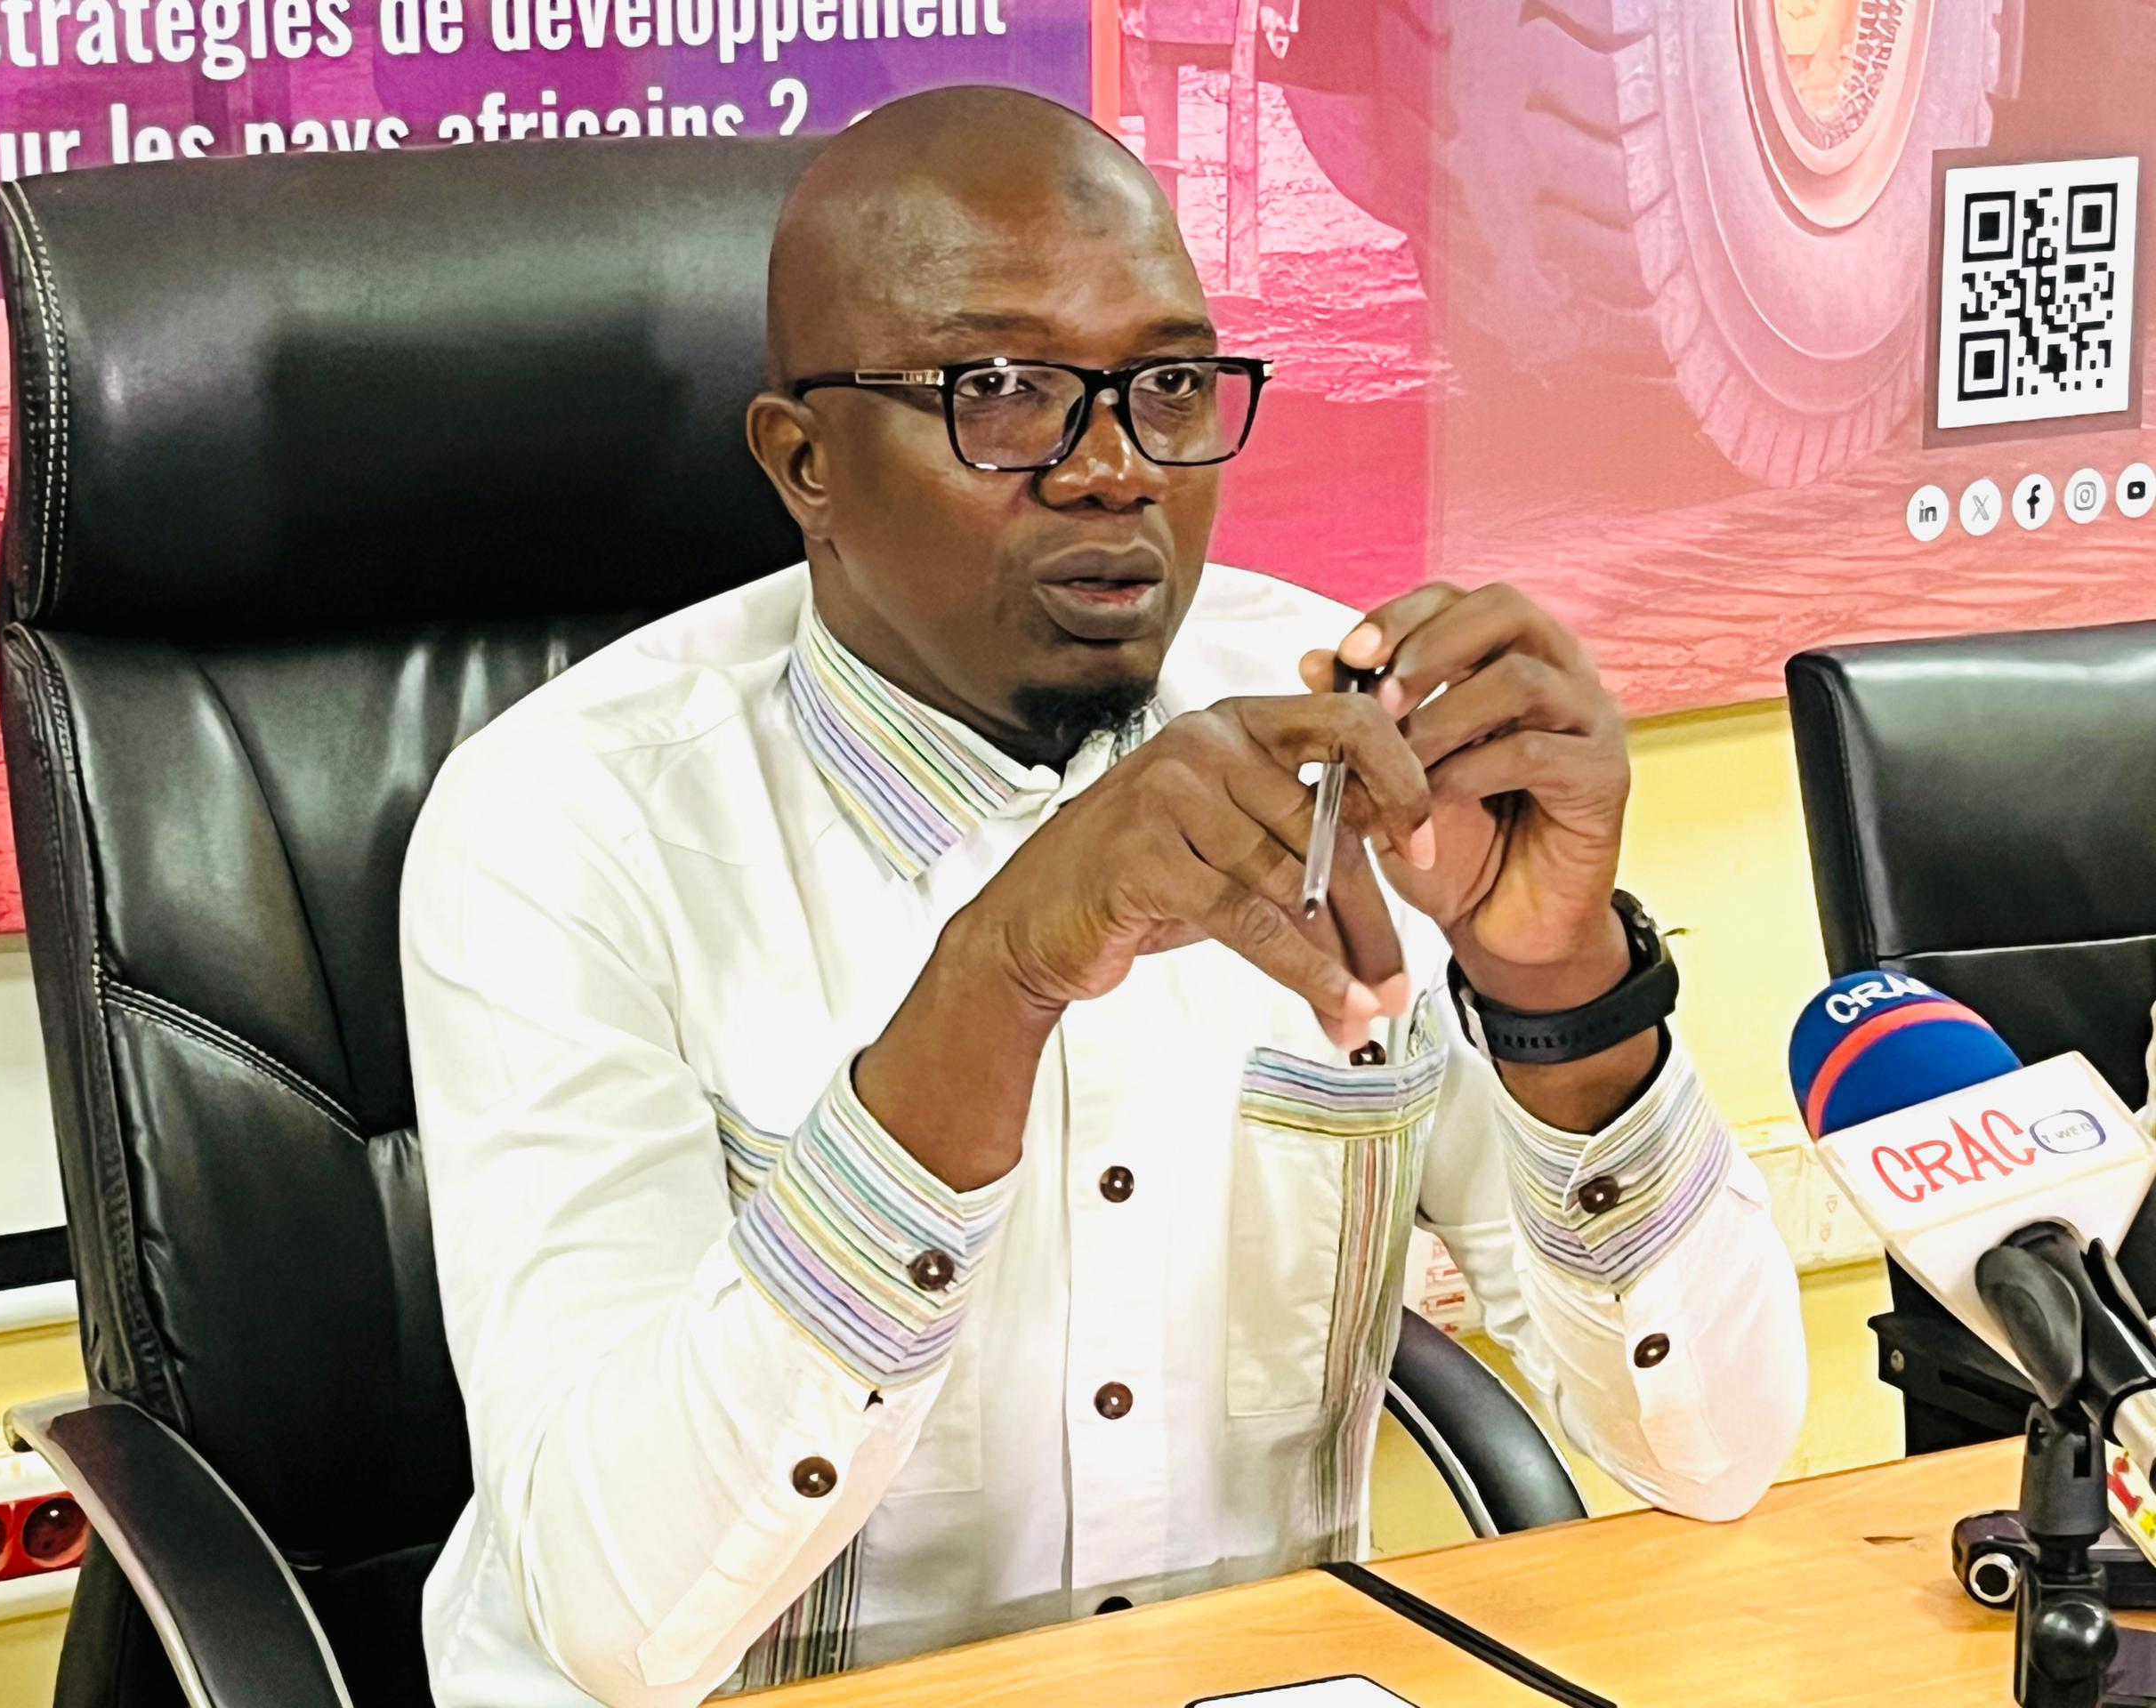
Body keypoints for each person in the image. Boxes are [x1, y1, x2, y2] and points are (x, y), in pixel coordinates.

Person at [402, 85, 1808, 1708]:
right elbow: (618, 1623)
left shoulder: (1350, 747)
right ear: (805, 462)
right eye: (1001, 393)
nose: (1114, 469)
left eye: (1166, 385)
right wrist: (992, 985)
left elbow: (1714, 1452)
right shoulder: (563, 828)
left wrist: (1562, 989)